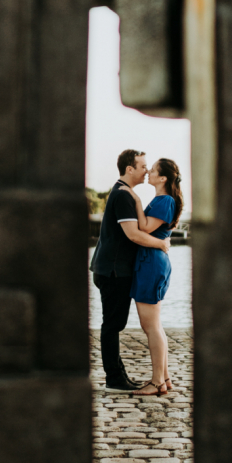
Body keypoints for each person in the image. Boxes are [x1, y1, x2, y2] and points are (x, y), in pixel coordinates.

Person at [89, 149, 169, 392]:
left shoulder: (124, 193)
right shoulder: (123, 195)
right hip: (113, 271)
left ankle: (118, 374)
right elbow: (133, 235)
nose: (146, 171)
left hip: (112, 269)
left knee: (114, 324)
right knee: (112, 325)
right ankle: (114, 378)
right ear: (129, 169)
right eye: (142, 166)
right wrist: (161, 244)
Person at [120, 158, 183, 397]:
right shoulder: (161, 199)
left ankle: (156, 382)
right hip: (150, 262)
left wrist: (134, 199)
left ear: (163, 178)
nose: (149, 172)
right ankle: (164, 378)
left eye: (153, 170)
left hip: (151, 264)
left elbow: (144, 227)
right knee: (155, 325)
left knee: (150, 326)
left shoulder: (165, 200)